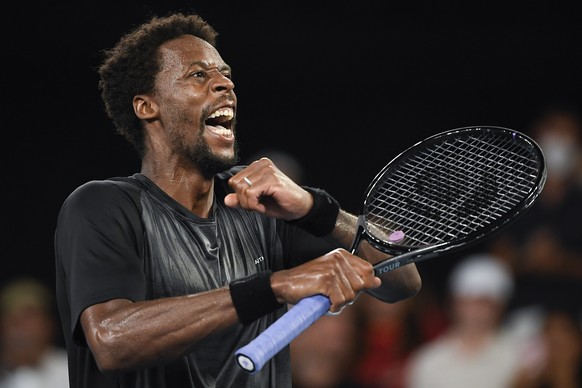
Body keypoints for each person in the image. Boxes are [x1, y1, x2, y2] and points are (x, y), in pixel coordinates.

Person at [53, 11, 422, 388]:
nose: (224, 85)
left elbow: (402, 279)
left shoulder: (260, 208)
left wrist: (316, 209)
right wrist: (273, 286)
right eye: (199, 75)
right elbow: (113, 341)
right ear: (147, 106)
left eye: (225, 75)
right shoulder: (103, 206)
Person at [404, 253, 525, 388]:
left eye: (483, 303)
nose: (474, 311)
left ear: (499, 307)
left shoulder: (519, 357)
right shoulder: (427, 361)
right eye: (467, 302)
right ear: (454, 304)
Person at [0, 278, 69, 388]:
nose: (18, 326)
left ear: (48, 325)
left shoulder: (69, 370)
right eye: (10, 318)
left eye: (27, 316)